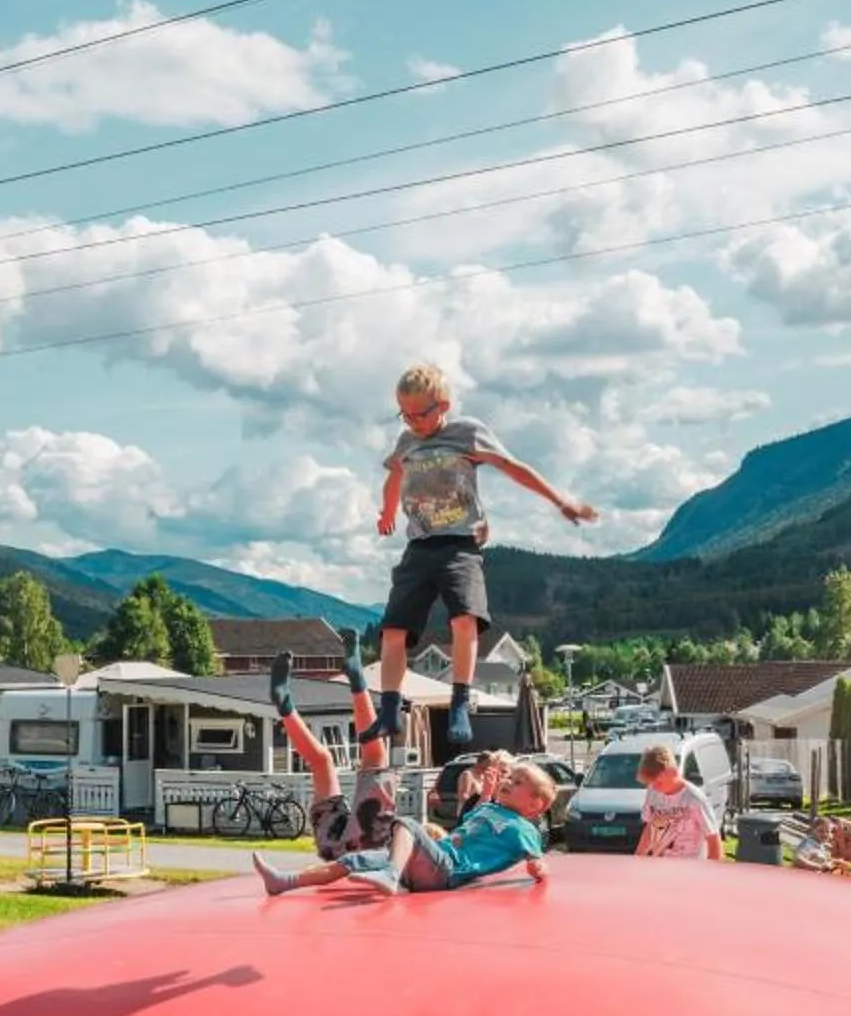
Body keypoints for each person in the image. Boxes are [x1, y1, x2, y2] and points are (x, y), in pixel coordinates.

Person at [366, 362, 596, 751]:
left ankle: (459, 702)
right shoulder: (407, 441)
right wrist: (387, 511)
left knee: (464, 620)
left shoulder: (466, 433)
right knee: (393, 631)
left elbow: (512, 467)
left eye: (422, 413)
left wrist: (560, 500)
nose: (414, 422)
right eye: (405, 414)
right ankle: (389, 711)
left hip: (459, 545)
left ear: (444, 405)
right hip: (419, 546)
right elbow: (394, 474)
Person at [254, 758, 557, 895]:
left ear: (534, 806)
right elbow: (473, 822)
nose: (509, 782)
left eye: (517, 783)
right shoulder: (492, 809)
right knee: (347, 861)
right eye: (510, 777)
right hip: (432, 859)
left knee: (408, 824)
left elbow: (535, 857)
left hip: (448, 871)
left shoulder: (523, 829)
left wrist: (537, 869)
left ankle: (391, 874)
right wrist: (489, 793)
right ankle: (284, 881)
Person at [273, 640, 397, 865]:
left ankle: (356, 678)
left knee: (375, 757)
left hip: (368, 842)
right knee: (321, 761)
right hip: (333, 848)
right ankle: (285, 705)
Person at [632, 742, 722, 861]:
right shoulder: (653, 791)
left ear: (671, 772)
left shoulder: (694, 799)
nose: (655, 787)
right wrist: (638, 858)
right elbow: (650, 827)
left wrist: (712, 873)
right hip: (661, 867)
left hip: (690, 869)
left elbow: (713, 839)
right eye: (651, 783)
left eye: (658, 782)